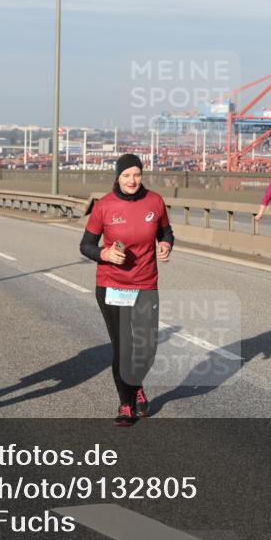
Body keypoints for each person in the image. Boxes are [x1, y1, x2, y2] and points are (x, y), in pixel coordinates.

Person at [79, 154, 174, 426]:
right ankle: (126, 403)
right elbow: (85, 245)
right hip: (112, 285)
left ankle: (136, 384)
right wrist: (104, 254)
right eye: (126, 175)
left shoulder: (154, 201)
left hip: (145, 284)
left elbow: (166, 232)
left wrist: (166, 245)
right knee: (125, 347)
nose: (132, 180)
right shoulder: (105, 206)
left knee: (146, 348)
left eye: (136, 174)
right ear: (117, 177)